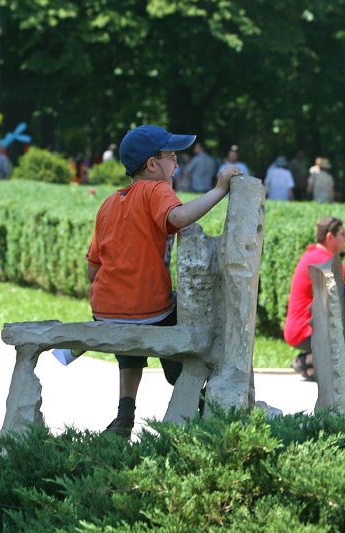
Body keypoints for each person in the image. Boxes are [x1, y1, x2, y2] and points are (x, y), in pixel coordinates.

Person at [87, 124, 242, 438]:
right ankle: (198, 403)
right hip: (146, 310)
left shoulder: (108, 203)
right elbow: (179, 218)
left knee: (130, 339)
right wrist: (219, 190)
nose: (177, 165)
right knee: (183, 331)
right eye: (172, 157)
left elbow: (92, 270)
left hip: (106, 311)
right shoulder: (156, 190)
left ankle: (124, 414)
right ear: (152, 164)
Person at [284, 217, 345, 380]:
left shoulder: (315, 254)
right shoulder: (321, 259)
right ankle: (308, 361)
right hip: (304, 331)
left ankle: (309, 361)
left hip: (301, 328)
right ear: (330, 237)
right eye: (342, 234)